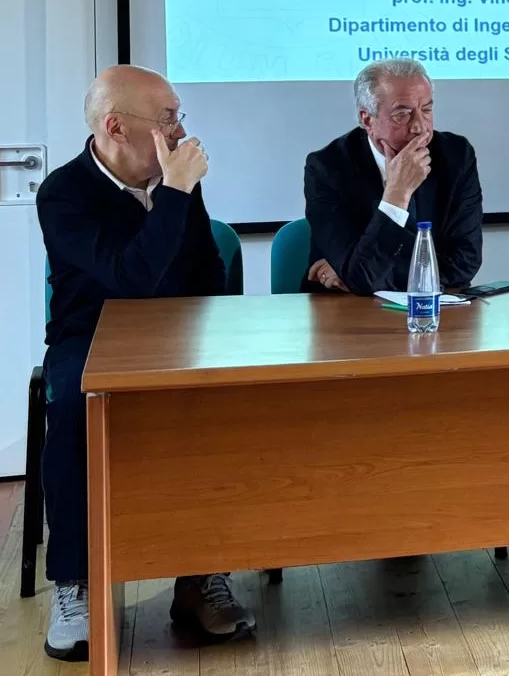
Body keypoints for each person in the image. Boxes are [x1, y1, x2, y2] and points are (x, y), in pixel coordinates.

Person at [35, 66, 254, 662]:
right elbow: (128, 279)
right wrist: (175, 194)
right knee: (75, 404)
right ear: (115, 127)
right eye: (167, 119)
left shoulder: (174, 178)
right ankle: (75, 583)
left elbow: (208, 270)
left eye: (178, 117)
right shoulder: (63, 192)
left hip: (177, 332)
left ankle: (201, 576)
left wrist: (215, 335)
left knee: (226, 398)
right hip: (91, 333)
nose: (180, 131)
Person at [303, 58, 483, 294]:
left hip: (438, 307)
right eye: (403, 114)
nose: (420, 127)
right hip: (346, 310)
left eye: (426, 110)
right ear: (367, 119)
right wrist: (397, 195)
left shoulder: (456, 156)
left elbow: (465, 262)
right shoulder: (327, 168)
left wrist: (356, 274)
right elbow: (363, 276)